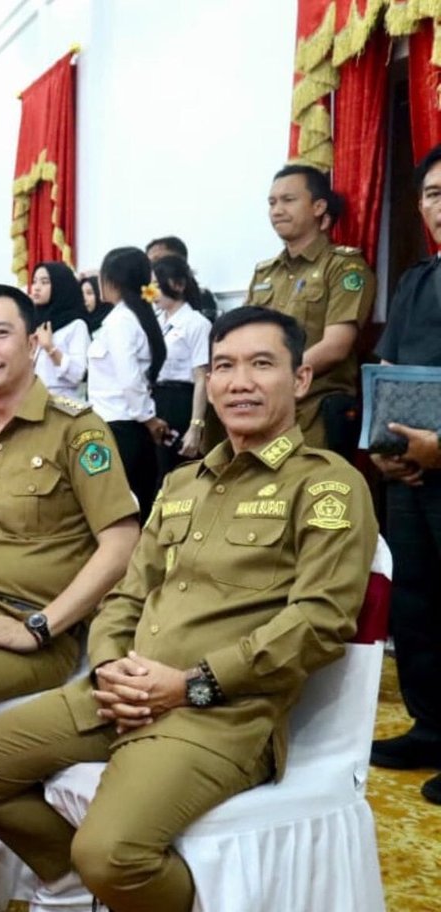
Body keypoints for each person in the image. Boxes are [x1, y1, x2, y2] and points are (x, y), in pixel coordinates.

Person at [0, 306, 375, 912]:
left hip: (219, 712)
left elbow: (319, 623)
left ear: (300, 379)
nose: (240, 383)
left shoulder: (326, 485)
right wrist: (108, 667)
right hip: (119, 693)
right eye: (224, 367)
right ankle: (74, 884)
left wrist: (190, 685)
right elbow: (126, 595)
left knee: (109, 853)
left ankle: (118, 885)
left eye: (262, 365)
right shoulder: (182, 485)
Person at [0, 284, 140, 712]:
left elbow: (121, 546)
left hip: (35, 629)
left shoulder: (77, 430)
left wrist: (38, 627)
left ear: (31, 346)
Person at [369, 143, 441, 805]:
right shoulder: (417, 280)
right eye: (433, 195)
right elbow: (389, 372)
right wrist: (384, 449)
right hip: (412, 474)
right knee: (416, 601)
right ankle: (432, 727)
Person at [244, 163, 374, 456]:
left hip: (314, 414)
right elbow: (244, 339)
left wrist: (275, 378)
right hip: (263, 411)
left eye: (288, 200)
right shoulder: (265, 273)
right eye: (272, 203)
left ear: (318, 207)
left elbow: (336, 347)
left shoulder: (343, 267)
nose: (277, 211)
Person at [89, 247, 169, 523]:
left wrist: (148, 418)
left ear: (113, 280)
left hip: (120, 427)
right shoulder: (131, 316)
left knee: (121, 509)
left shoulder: (120, 321)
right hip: (123, 424)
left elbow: (129, 377)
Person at [151, 256, 214, 476]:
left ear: (178, 285)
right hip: (155, 400)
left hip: (180, 402)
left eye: (157, 284)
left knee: (174, 469)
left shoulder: (197, 323)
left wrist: (195, 426)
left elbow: (201, 378)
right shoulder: (156, 321)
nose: (151, 291)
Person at [28, 262, 91, 398]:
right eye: (34, 281)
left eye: (44, 282)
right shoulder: (35, 322)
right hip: (33, 398)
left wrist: (50, 348)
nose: (36, 288)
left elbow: (77, 374)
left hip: (63, 401)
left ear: (60, 285)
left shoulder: (76, 325)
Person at [146, 236, 219, 321]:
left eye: (158, 260)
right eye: (149, 262)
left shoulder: (202, 297)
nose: (153, 266)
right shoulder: (148, 295)